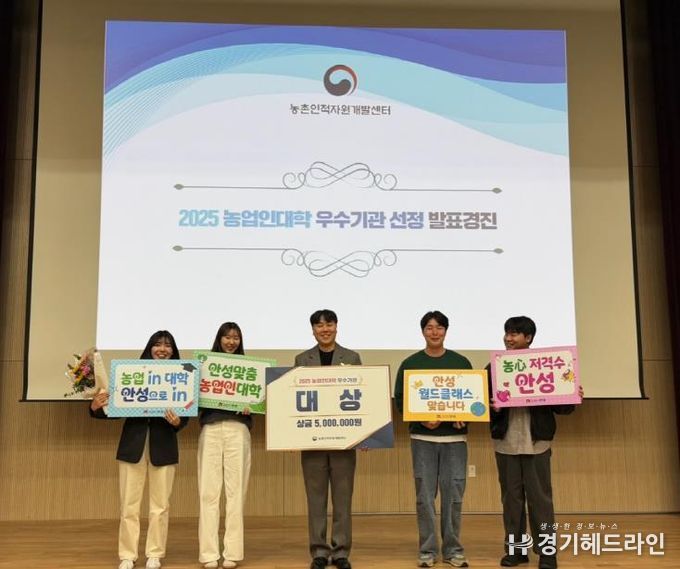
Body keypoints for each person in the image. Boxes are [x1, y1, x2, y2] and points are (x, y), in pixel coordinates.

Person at [487, 316, 583, 569]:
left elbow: (563, 409)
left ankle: (547, 553)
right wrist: (493, 407)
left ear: (528, 338)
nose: (508, 338)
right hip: (506, 444)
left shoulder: (548, 365)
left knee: (540, 500)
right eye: (507, 333)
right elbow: (481, 405)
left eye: (514, 334)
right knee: (511, 501)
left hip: (537, 443)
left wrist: (572, 395)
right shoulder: (494, 366)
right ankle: (516, 551)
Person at [90, 330, 188, 569]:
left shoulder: (182, 376)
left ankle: (155, 553)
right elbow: (113, 410)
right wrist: (95, 407)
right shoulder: (132, 375)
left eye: (167, 345)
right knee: (129, 505)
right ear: (149, 348)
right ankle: (127, 554)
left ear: (173, 351)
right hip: (132, 446)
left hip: (163, 447)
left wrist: (178, 422)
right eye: (157, 344)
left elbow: (185, 413)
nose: (162, 349)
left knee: (160, 505)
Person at [394, 311, 471, 568]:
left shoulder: (461, 363)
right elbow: (401, 400)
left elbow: (472, 400)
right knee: (424, 497)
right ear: (422, 331)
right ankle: (427, 550)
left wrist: (463, 418)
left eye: (439, 327)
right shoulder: (410, 363)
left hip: (454, 440)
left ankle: (453, 550)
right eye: (429, 327)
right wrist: (421, 420)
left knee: (453, 497)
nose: (434, 332)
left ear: (446, 331)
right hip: (422, 438)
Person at [295, 309, 362, 569]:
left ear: (336, 326)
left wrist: (366, 435)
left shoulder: (352, 358)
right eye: (319, 325)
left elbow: (362, 395)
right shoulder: (302, 359)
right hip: (312, 441)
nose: (325, 329)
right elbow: (293, 399)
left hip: (344, 442)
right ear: (313, 330)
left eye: (329, 324)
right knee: (316, 499)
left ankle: (341, 551)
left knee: (343, 499)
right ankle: (319, 552)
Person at [198, 322, 252, 569]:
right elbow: (194, 400)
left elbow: (258, 402)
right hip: (210, 429)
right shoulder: (204, 367)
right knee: (208, 493)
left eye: (236, 338)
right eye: (227, 337)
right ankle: (208, 553)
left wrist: (252, 405)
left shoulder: (249, 370)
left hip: (238, 430)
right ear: (219, 339)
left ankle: (232, 552)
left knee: (236, 493)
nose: (231, 342)